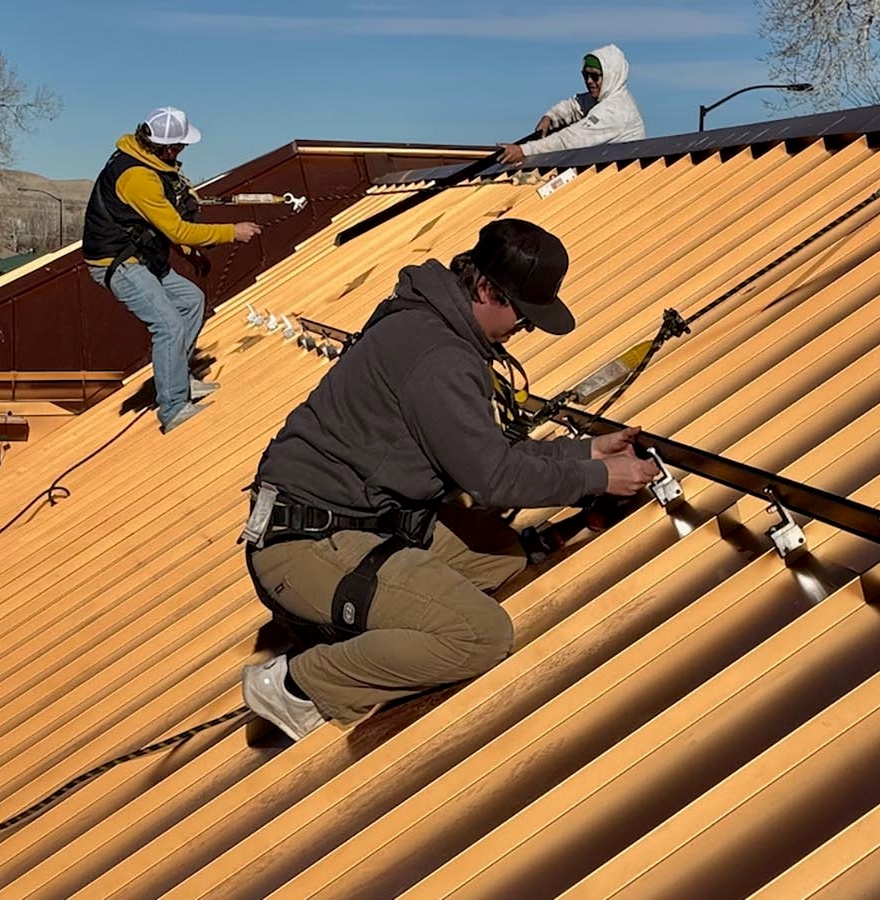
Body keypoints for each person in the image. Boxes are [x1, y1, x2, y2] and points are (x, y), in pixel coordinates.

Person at [239, 218, 661, 741]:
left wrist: (587, 450)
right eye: (522, 316)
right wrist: (599, 477)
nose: (521, 330)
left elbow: (487, 452)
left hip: (355, 522)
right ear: (485, 289)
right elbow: (494, 479)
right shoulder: (439, 355)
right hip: (306, 543)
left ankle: (362, 617)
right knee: (479, 635)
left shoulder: (431, 322)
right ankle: (296, 685)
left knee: (499, 554)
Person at [82, 106, 261, 433]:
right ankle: (174, 407)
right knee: (167, 324)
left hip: (142, 256)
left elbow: (162, 227)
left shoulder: (151, 165)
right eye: (179, 147)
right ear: (166, 147)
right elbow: (176, 229)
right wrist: (231, 232)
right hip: (117, 263)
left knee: (191, 301)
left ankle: (181, 379)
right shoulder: (137, 177)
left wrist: (191, 254)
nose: (181, 153)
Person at [499, 44, 645, 165]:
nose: (589, 81)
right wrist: (550, 117)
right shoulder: (604, 97)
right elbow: (576, 105)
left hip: (623, 176)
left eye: (594, 76)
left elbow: (571, 140)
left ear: (611, 76)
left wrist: (525, 151)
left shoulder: (614, 111)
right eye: (585, 75)